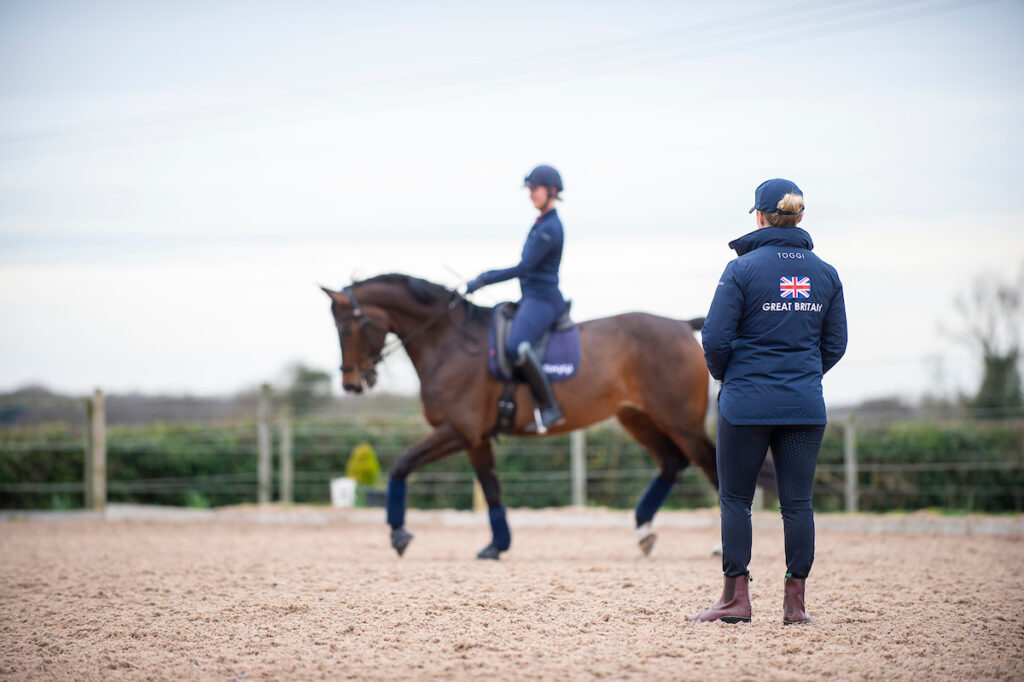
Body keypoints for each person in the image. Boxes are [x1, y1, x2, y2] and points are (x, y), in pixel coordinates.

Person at [691, 178, 847, 625]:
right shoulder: (825, 273)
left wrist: (732, 378)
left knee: (736, 501)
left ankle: (735, 599)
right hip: (804, 407)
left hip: (745, 406)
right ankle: (795, 604)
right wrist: (803, 377)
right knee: (797, 504)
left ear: (759, 217)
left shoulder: (740, 271)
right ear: (799, 218)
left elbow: (715, 338)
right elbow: (835, 344)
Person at [466, 165, 568, 432]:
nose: (531, 195)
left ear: (552, 191)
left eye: (536, 189)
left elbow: (524, 267)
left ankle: (550, 408)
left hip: (544, 300)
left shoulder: (551, 228)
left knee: (516, 346)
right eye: (531, 190)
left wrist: (485, 278)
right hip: (531, 297)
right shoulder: (540, 224)